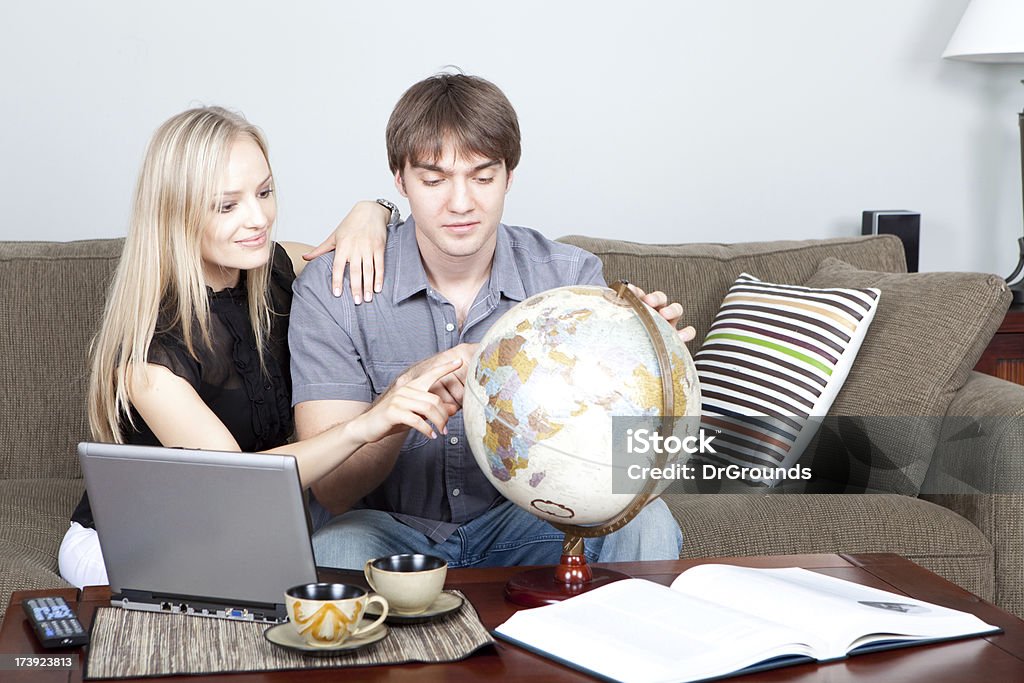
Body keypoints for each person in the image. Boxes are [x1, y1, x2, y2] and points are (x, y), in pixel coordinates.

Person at [290, 74, 695, 570]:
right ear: (400, 180)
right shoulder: (335, 288)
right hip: (387, 529)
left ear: (509, 176)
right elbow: (333, 490)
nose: (461, 203)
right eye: (434, 180)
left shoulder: (570, 279)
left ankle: (630, 648)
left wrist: (653, 370)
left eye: (483, 177)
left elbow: (621, 461)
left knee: (648, 522)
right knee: (334, 548)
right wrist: (403, 400)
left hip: (524, 521)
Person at [58, 106, 449, 588]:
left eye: (264, 192)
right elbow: (236, 483)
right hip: (136, 538)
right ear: (174, 214)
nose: (259, 217)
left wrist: (374, 210)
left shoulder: (276, 268)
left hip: (240, 523)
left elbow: (348, 253)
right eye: (227, 205)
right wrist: (364, 426)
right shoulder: (151, 358)